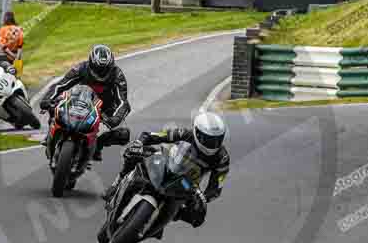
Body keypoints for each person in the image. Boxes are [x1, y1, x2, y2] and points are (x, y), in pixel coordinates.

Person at [102, 111, 230, 230]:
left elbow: (216, 188)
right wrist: (139, 142)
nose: (212, 144)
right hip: (167, 165)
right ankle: (117, 183)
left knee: (198, 217)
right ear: (197, 132)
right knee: (133, 153)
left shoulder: (222, 158)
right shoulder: (184, 134)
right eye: (207, 139)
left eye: (216, 140)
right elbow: (154, 136)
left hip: (187, 186)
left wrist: (203, 198)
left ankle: (170, 215)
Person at [40, 44, 130, 162]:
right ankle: (50, 135)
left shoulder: (117, 75)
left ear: (111, 66)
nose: (101, 73)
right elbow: (60, 85)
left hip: (105, 108)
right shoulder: (81, 68)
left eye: (105, 69)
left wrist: (115, 119)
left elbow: (123, 102)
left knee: (124, 134)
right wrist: (47, 99)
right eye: (99, 69)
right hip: (80, 100)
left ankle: (97, 145)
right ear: (91, 64)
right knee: (54, 104)